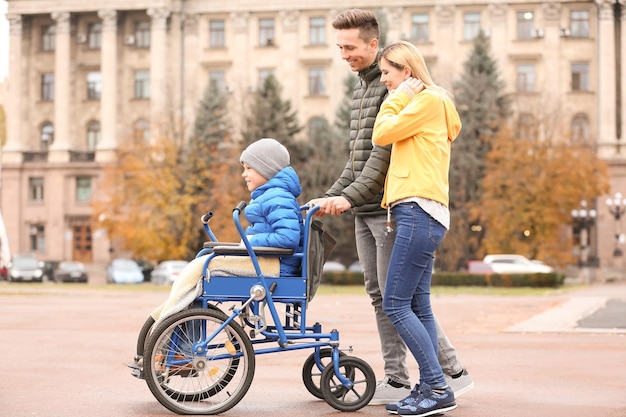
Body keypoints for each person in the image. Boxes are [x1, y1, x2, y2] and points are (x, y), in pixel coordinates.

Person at [308, 8, 473, 405]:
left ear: (373, 44)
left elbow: (381, 155)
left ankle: (429, 375)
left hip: (392, 206)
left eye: (350, 47)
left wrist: (347, 197)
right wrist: (330, 194)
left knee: (396, 298)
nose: (344, 54)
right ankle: (432, 375)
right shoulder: (363, 89)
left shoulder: (397, 88)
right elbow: (357, 158)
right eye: (339, 47)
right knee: (386, 294)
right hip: (371, 204)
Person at [372, 40, 461, 416]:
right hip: (421, 211)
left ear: (407, 72)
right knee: (417, 303)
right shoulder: (429, 104)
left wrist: (397, 98)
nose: (385, 83)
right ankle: (429, 386)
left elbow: (381, 133)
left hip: (418, 210)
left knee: (394, 303)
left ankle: (438, 386)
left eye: (388, 74)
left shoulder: (427, 101)